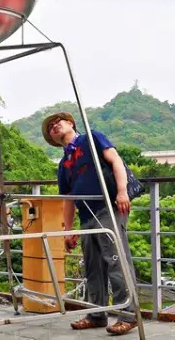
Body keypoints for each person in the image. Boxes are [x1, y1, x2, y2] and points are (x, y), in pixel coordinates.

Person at [41, 112, 138, 336]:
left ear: (71, 124)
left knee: (116, 261)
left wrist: (122, 192)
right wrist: (69, 229)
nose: (55, 126)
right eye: (51, 127)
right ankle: (97, 313)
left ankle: (129, 315)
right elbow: (68, 198)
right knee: (93, 267)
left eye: (59, 122)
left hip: (108, 208)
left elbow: (116, 161)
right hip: (86, 217)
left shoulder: (92, 138)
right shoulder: (64, 163)